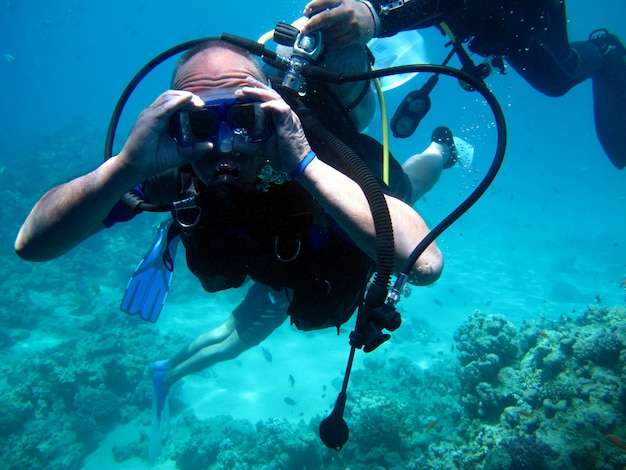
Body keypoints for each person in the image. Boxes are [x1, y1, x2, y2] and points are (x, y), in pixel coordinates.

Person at [14, 40, 444, 443]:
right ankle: (168, 374)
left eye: (243, 119)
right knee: (244, 329)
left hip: (336, 245)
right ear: (173, 125)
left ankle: (440, 152)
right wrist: (126, 167)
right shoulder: (171, 166)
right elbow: (32, 245)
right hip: (273, 262)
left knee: (412, 184)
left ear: (269, 110)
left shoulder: (317, 153)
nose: (223, 144)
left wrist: (305, 163)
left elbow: (424, 263)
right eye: (200, 123)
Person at [301, 0, 626, 170]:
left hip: (517, 14)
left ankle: (605, 51)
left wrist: (374, 13)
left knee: (557, 77)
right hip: (477, 20)